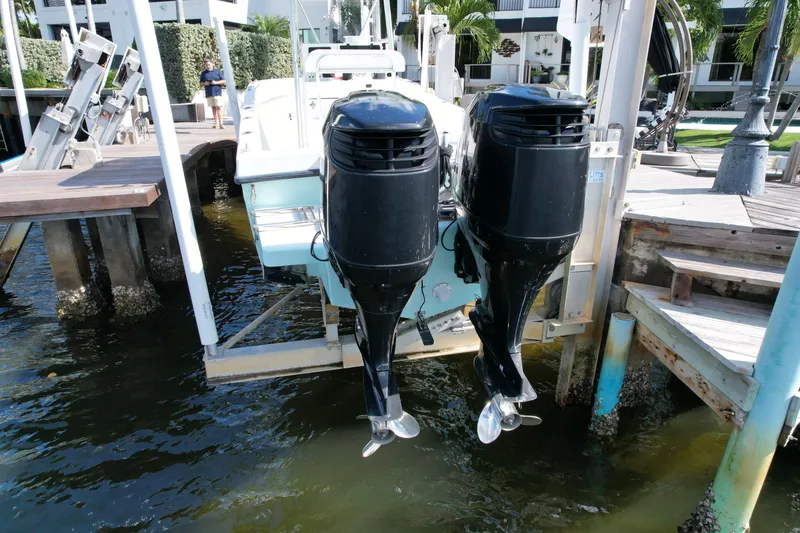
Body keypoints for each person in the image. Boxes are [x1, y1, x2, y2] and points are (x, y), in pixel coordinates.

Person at [200, 59, 226, 129]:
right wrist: (205, 83)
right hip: (209, 92)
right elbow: (201, 83)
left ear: (212, 64)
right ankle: (216, 123)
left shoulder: (217, 71)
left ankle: (221, 123)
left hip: (217, 92)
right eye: (206, 65)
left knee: (219, 107)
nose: (208, 66)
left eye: (209, 64)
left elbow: (223, 81)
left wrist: (215, 82)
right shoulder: (203, 73)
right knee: (213, 108)